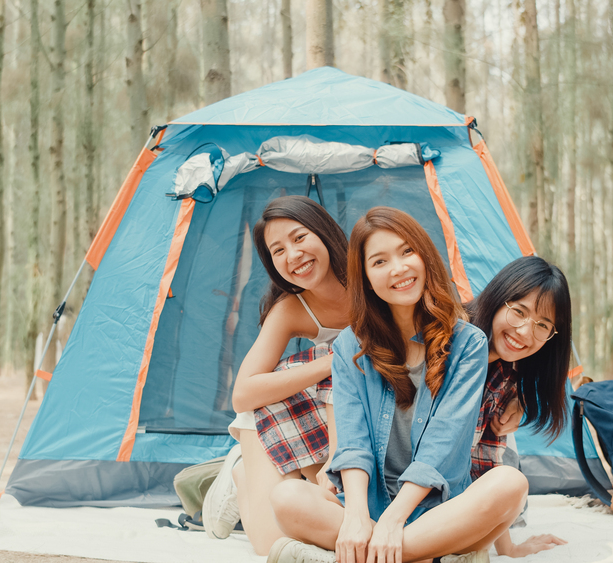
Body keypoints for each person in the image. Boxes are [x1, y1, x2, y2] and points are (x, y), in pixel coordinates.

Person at [267, 207, 528, 563]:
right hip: (373, 504)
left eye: (407, 252)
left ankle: (361, 554)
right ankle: (417, 555)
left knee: (510, 485)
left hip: (440, 510)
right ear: (367, 279)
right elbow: (353, 440)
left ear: (425, 256)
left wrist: (393, 520)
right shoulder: (349, 346)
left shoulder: (469, 344)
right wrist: (358, 515)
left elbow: (443, 443)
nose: (399, 269)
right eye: (379, 261)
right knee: (287, 498)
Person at [202, 196, 350, 556]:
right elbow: (243, 394)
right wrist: (334, 361)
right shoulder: (290, 309)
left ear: (326, 233)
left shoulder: (373, 282)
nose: (293, 256)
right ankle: (241, 470)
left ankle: (250, 476)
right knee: (270, 545)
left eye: (300, 238)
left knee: (326, 507)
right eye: (277, 250)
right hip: (279, 404)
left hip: (338, 409)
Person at [468, 255, 574, 557]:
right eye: (518, 311)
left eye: (542, 325)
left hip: (448, 496)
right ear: (498, 298)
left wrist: (508, 549)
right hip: (397, 487)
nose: (525, 332)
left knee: (513, 485)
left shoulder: (505, 373)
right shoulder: (449, 342)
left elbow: (487, 458)